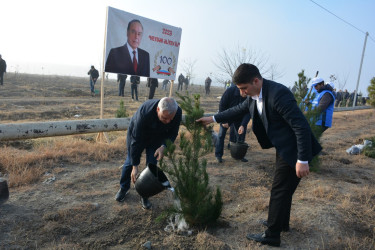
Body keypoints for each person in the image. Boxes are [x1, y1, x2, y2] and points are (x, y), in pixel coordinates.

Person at [197, 63, 322, 247]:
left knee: (278, 190)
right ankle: (281, 224)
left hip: (295, 148)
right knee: (284, 189)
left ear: (256, 80)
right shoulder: (254, 95)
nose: (242, 93)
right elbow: (237, 110)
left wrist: (302, 159)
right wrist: (213, 118)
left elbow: (300, 126)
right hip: (284, 147)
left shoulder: (278, 94)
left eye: (244, 88)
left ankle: (272, 234)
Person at [115, 97, 182, 209]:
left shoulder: (177, 112)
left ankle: (145, 195)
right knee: (129, 162)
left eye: (171, 119)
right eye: (165, 118)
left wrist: (163, 146)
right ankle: (124, 188)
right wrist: (135, 165)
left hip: (157, 137)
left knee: (152, 165)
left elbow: (173, 132)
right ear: (157, 110)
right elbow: (135, 142)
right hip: (138, 136)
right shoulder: (144, 113)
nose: (168, 121)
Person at [215, 84, 250, 163]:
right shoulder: (230, 91)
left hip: (239, 117)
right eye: (244, 93)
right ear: (241, 89)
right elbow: (222, 105)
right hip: (227, 115)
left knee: (240, 136)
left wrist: (243, 125)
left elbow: (248, 112)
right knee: (221, 135)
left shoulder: (249, 95)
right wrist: (223, 121)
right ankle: (218, 155)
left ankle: (239, 155)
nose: (246, 94)